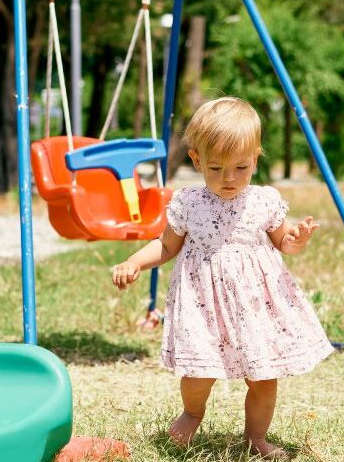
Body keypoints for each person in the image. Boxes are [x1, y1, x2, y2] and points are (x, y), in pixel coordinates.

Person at [112, 96, 331, 459]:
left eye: (240, 167)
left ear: (255, 158)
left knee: (263, 377)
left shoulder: (264, 201)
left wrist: (296, 239)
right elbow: (166, 246)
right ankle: (192, 412)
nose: (229, 178)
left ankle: (256, 437)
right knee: (198, 374)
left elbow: (284, 242)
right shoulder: (188, 202)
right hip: (203, 305)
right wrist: (135, 262)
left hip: (254, 306)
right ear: (197, 160)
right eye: (216, 168)